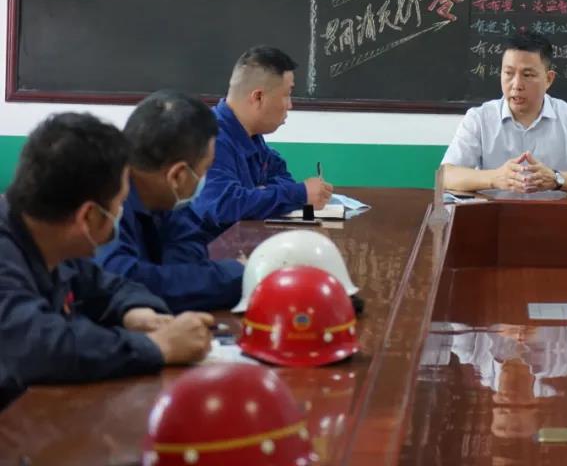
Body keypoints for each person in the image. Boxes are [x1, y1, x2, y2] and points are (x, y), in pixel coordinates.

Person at [0, 113, 213, 410]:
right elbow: (40, 345)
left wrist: (135, 312)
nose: (121, 212)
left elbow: (106, 286)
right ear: (88, 216)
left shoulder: (49, 239)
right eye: (120, 203)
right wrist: (158, 345)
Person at [97, 91, 245, 312]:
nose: (204, 179)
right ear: (177, 176)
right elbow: (124, 283)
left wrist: (181, 281)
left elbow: (188, 252)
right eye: (205, 169)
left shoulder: (167, 198)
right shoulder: (106, 200)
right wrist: (236, 274)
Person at [442, 32, 567, 195]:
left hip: (555, 213)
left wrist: (556, 179)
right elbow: (446, 175)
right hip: (494, 213)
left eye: (527, 75)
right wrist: (494, 177)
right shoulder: (479, 118)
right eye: (508, 73)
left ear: (548, 79)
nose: (516, 85)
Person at [193, 46, 332, 233]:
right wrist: (300, 193)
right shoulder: (210, 137)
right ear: (258, 97)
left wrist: (258, 195)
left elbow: (283, 177)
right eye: (286, 95)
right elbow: (224, 206)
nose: (290, 105)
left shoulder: (252, 136)